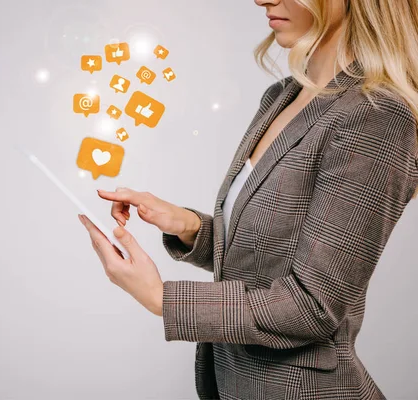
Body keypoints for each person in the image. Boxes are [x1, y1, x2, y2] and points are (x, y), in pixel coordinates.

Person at [78, 0, 418, 398]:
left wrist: (160, 298)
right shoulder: (283, 96)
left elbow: (312, 306)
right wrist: (189, 226)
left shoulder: (377, 116)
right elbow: (269, 259)